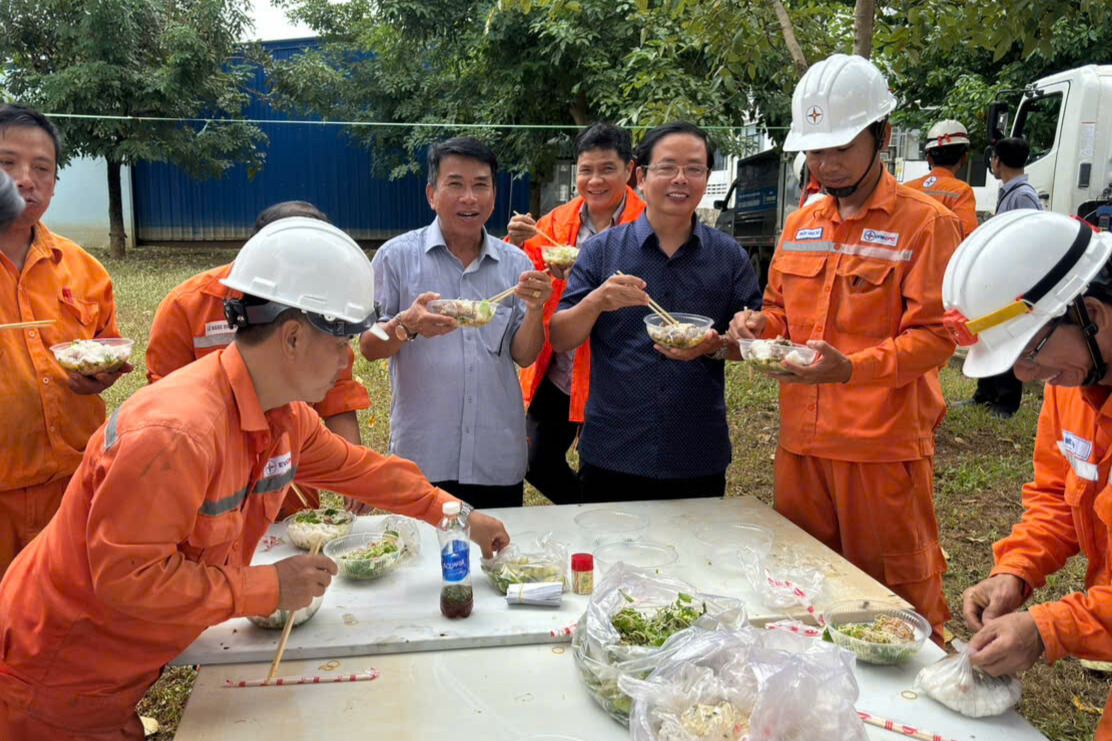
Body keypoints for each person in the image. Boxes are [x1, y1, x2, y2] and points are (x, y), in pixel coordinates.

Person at [0, 217, 510, 741]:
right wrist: (269, 585)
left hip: (116, 670)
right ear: (291, 336)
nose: (346, 359)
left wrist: (461, 517)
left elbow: (365, 472)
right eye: (339, 342)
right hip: (55, 675)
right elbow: (130, 578)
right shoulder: (176, 433)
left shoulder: (282, 415)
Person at [729, 54, 963, 643]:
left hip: (880, 451)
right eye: (814, 151)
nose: (826, 165)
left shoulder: (925, 224)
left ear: (881, 136)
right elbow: (782, 311)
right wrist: (759, 325)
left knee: (896, 604)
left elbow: (937, 336)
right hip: (800, 446)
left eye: (839, 148)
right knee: (803, 592)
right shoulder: (801, 223)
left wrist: (850, 369)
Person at [942, 210, 1112, 738]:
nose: (1026, 377)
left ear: (1093, 314)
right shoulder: (1073, 381)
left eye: (1029, 351)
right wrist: (1016, 572)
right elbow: (1059, 496)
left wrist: (1047, 629)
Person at [549, 121, 762, 501]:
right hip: (613, 450)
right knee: (610, 558)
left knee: (697, 559)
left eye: (694, 169)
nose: (680, 179)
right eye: (667, 167)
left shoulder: (729, 257)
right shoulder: (602, 251)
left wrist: (719, 344)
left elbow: (748, 342)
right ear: (642, 177)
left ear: (706, 177)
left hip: (696, 452)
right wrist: (597, 300)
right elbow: (561, 335)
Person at [360, 137, 553, 509]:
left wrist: (534, 309)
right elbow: (368, 346)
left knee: (493, 563)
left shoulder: (517, 265)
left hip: (494, 457)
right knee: (421, 565)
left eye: (480, 185)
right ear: (432, 194)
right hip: (423, 457)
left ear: (494, 196)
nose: (469, 198)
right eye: (456, 184)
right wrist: (406, 324)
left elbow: (524, 356)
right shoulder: (396, 258)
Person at [147, 201, 373, 516]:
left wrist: (355, 474)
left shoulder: (323, 302)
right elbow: (164, 411)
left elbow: (336, 395)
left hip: (285, 490)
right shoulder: (186, 306)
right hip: (207, 494)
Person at [0, 104, 130, 580]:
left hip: (74, 486)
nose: (25, 180)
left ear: (55, 183)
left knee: (71, 614)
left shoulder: (81, 268)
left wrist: (100, 375)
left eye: (41, 168)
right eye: (6, 163)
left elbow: (108, 344)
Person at [505, 122, 645, 504]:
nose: (595, 180)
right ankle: (586, 509)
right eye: (586, 170)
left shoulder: (649, 222)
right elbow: (520, 275)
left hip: (619, 372)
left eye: (607, 169)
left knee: (608, 465)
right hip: (563, 367)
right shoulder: (553, 224)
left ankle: (601, 514)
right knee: (532, 459)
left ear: (629, 170)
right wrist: (515, 243)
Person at [960, 136, 1043, 418]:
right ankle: (985, 394)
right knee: (990, 334)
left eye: (992, 158)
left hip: (1013, 280)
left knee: (1007, 338)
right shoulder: (1011, 191)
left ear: (997, 160)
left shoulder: (1022, 195)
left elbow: (1031, 240)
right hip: (1001, 278)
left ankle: (1006, 401)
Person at [904, 119, 979, 239]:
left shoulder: (906, 188)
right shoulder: (961, 191)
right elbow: (968, 237)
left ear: (929, 158)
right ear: (964, 157)